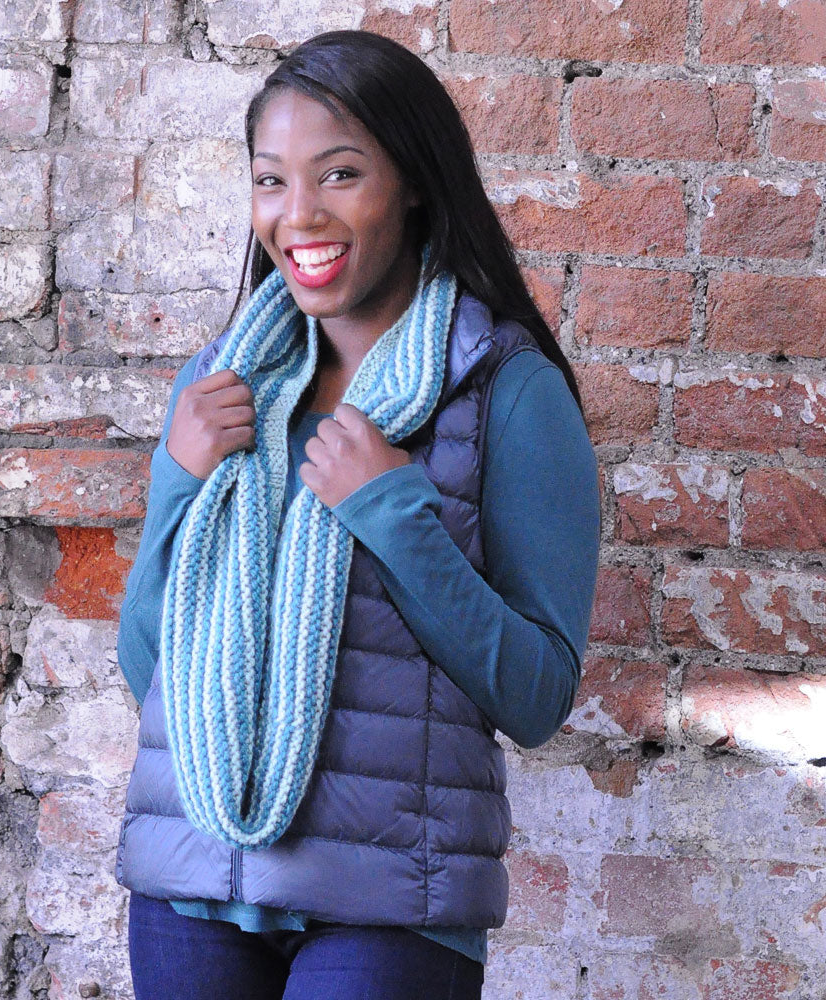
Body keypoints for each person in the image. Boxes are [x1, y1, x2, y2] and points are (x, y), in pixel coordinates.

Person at [113, 29, 600, 1000]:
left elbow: (537, 695)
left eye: (339, 174)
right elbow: (147, 672)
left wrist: (394, 515)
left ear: (413, 182)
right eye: (271, 180)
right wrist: (175, 480)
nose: (299, 213)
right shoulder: (220, 389)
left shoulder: (505, 391)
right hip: (186, 888)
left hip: (390, 907)